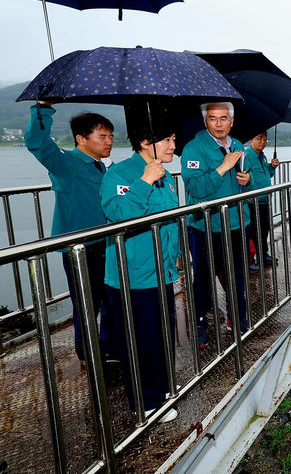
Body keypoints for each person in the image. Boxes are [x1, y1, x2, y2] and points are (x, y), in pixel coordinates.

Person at [24, 102, 117, 363]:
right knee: (87, 304)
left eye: (110, 136)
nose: (109, 141)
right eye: (102, 136)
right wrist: (42, 109)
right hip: (81, 248)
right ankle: (88, 354)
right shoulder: (65, 163)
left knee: (111, 298)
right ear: (81, 139)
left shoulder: (105, 166)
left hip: (108, 243)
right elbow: (37, 142)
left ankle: (110, 347)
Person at [100, 115, 180, 423]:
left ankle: (162, 388)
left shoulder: (167, 176)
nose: (174, 146)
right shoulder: (119, 175)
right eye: (168, 140)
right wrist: (144, 181)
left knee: (162, 336)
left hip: (163, 271)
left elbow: (172, 219)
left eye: (174, 139)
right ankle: (144, 402)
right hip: (131, 276)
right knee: (139, 341)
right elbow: (118, 216)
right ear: (146, 142)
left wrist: (175, 254)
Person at [181, 102, 251, 347]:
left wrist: (246, 178)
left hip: (235, 222)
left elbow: (244, 183)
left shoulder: (239, 146)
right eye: (213, 119)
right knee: (203, 277)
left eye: (224, 119)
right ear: (205, 122)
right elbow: (196, 188)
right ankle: (200, 323)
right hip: (206, 226)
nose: (219, 124)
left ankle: (237, 317)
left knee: (237, 274)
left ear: (231, 121)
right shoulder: (194, 149)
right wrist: (223, 167)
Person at [244, 131, 279, 272]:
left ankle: (263, 255)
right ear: (252, 140)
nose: (262, 142)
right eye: (259, 138)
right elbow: (242, 175)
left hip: (264, 200)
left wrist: (272, 167)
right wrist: (246, 193)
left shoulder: (261, 156)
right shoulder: (247, 156)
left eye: (265, 139)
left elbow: (267, 174)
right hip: (252, 202)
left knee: (264, 229)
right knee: (252, 231)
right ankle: (250, 260)